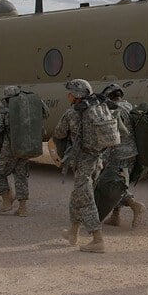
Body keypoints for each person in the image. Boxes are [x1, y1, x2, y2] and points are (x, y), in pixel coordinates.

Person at [52, 78, 107, 253]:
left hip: (83, 161)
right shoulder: (98, 108)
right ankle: (72, 232)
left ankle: (98, 240)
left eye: (70, 93)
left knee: (85, 198)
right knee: (77, 196)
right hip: (97, 160)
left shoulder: (72, 113)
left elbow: (59, 133)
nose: (68, 95)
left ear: (77, 95)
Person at [0, 85, 49, 217]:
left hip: (9, 149)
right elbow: (46, 113)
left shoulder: (5, 112)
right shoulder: (29, 108)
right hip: (26, 145)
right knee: (20, 175)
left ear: (7, 99)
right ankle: (22, 208)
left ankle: (7, 201)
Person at [100, 84, 146, 228]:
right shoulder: (130, 107)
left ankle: (135, 204)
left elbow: (111, 136)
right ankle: (115, 216)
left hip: (117, 155)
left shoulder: (113, 110)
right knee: (120, 184)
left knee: (112, 185)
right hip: (132, 153)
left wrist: (102, 158)